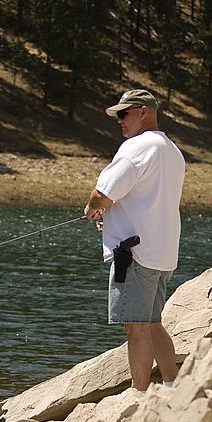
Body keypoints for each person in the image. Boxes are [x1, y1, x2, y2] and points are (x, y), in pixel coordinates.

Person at [84, 88, 185, 393]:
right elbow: (146, 200)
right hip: (162, 252)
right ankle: (171, 388)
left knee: (136, 326)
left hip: (136, 254)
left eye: (123, 113)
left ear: (143, 111)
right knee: (152, 322)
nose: (119, 121)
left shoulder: (136, 147)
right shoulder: (172, 150)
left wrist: (92, 209)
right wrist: (113, 219)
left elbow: (102, 195)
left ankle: (138, 396)